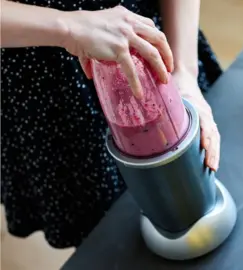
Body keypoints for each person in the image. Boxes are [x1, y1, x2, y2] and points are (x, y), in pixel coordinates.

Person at [0, 0, 222, 248]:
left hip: (143, 41)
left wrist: (184, 71)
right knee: (108, 237)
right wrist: (69, 27)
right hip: (46, 84)